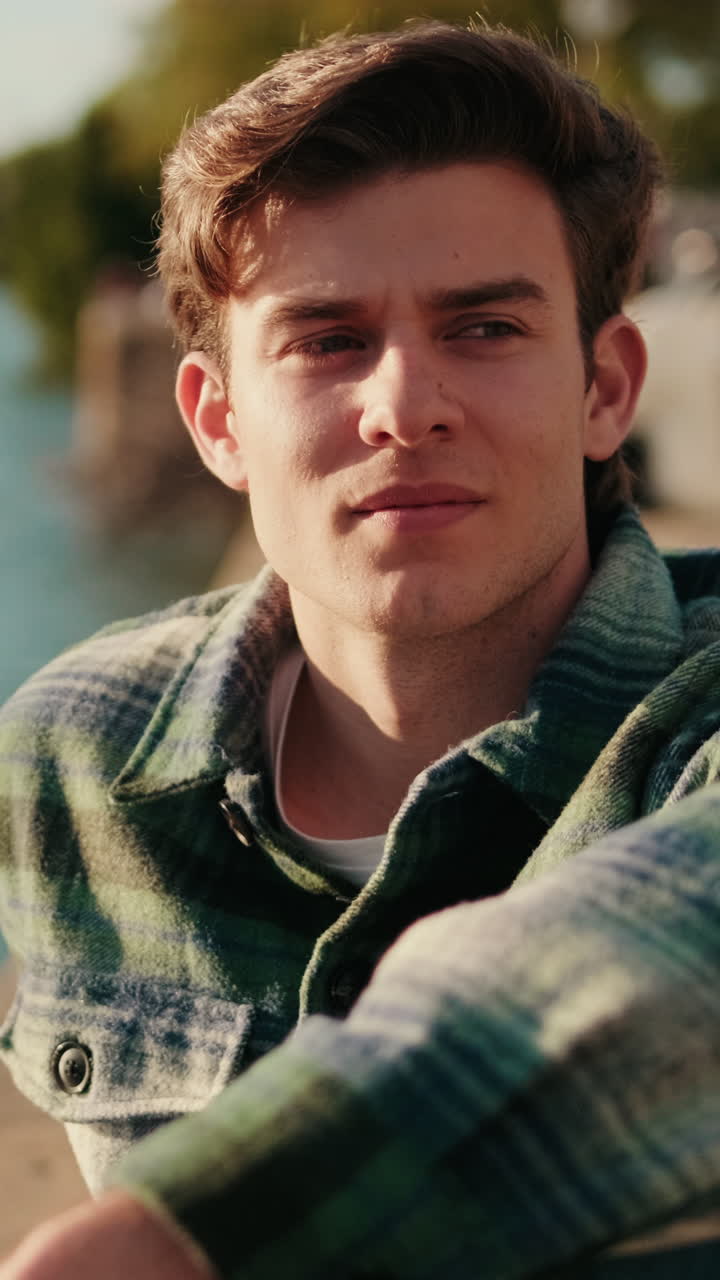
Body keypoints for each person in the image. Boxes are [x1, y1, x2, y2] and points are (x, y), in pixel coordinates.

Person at [1, 18, 720, 1280]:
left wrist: (186, 1237)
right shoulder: (69, 753)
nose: (407, 405)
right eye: (329, 340)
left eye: (485, 328)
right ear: (218, 421)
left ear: (607, 387)